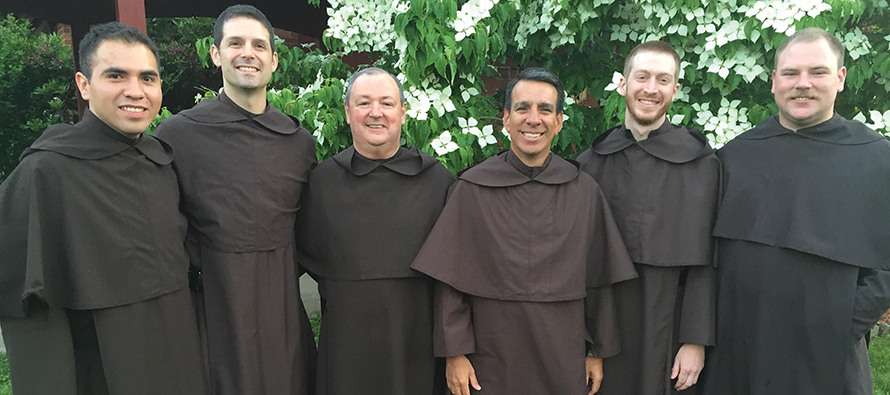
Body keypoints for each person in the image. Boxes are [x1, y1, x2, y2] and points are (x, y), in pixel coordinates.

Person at [0, 22, 206, 395]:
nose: (135, 91)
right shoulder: (46, 171)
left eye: (148, 78)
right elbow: (30, 309)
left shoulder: (160, 161)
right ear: (83, 84)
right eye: (116, 75)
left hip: (178, 356)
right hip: (104, 368)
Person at [411, 67, 638, 395]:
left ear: (559, 121)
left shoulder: (584, 191)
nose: (534, 119)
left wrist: (596, 350)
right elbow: (450, 283)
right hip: (489, 356)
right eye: (522, 108)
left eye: (545, 109)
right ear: (506, 118)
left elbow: (599, 280)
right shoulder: (472, 188)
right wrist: (454, 353)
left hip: (562, 354)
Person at [701, 27, 890, 395]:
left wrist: (843, 322)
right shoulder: (736, 155)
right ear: (774, 82)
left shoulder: (876, 158)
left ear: (840, 78)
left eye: (817, 72)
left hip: (826, 352)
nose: (802, 83)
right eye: (790, 73)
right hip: (739, 346)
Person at [153, 5, 317, 394]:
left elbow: (309, 228)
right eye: (236, 43)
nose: (248, 53)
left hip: (281, 305)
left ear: (274, 60)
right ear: (216, 54)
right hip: (214, 302)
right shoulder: (179, 135)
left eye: (259, 45)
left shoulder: (298, 143)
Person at [295, 67, 453, 395]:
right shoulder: (321, 184)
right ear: (348, 112)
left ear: (403, 112)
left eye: (386, 103)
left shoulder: (438, 182)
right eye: (364, 103)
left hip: (418, 342)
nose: (376, 112)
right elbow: (303, 255)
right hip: (346, 344)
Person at [576, 41, 719, 394]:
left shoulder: (702, 166)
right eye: (642, 77)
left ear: (675, 89)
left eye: (663, 79)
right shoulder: (589, 165)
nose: (651, 89)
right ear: (623, 84)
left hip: (669, 327)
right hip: (604, 326)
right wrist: (586, 344)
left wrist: (695, 341)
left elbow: (709, 261)